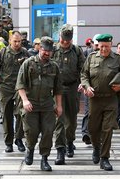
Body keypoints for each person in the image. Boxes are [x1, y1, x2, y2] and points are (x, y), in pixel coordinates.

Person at [80, 34, 120, 171]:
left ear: (111, 45)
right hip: (94, 99)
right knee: (93, 128)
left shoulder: (118, 59)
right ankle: (96, 148)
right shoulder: (91, 57)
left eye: (107, 46)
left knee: (107, 128)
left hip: (110, 99)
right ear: (98, 45)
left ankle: (105, 158)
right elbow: (84, 75)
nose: (104, 49)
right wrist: (87, 86)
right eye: (101, 46)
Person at [16, 36, 63, 171]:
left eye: (49, 51)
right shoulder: (28, 63)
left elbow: (58, 89)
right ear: (39, 49)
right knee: (32, 131)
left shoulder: (54, 66)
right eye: (44, 50)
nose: (46, 53)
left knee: (48, 131)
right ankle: (30, 149)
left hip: (47, 104)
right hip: (31, 103)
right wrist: (24, 100)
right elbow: (20, 84)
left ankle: (44, 159)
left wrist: (59, 105)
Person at [0, 31, 30, 153]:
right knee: (7, 115)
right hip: (5, 88)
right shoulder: (2, 53)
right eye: (15, 41)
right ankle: (8, 142)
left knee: (21, 114)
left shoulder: (25, 53)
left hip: (21, 88)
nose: (17, 44)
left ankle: (18, 138)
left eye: (19, 41)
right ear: (10, 41)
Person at [52, 24, 85, 163]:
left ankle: (70, 142)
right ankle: (60, 149)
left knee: (71, 120)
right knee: (59, 119)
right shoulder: (53, 50)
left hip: (72, 89)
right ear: (59, 36)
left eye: (68, 40)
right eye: (63, 39)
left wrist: (82, 83)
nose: (65, 42)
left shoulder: (77, 51)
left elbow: (83, 70)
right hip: (56, 89)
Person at [81, 34, 100, 145]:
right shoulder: (86, 55)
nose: (98, 47)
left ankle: (96, 135)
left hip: (101, 90)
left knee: (98, 113)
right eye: (96, 44)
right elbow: (83, 72)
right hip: (89, 88)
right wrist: (84, 85)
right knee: (88, 112)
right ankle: (85, 134)